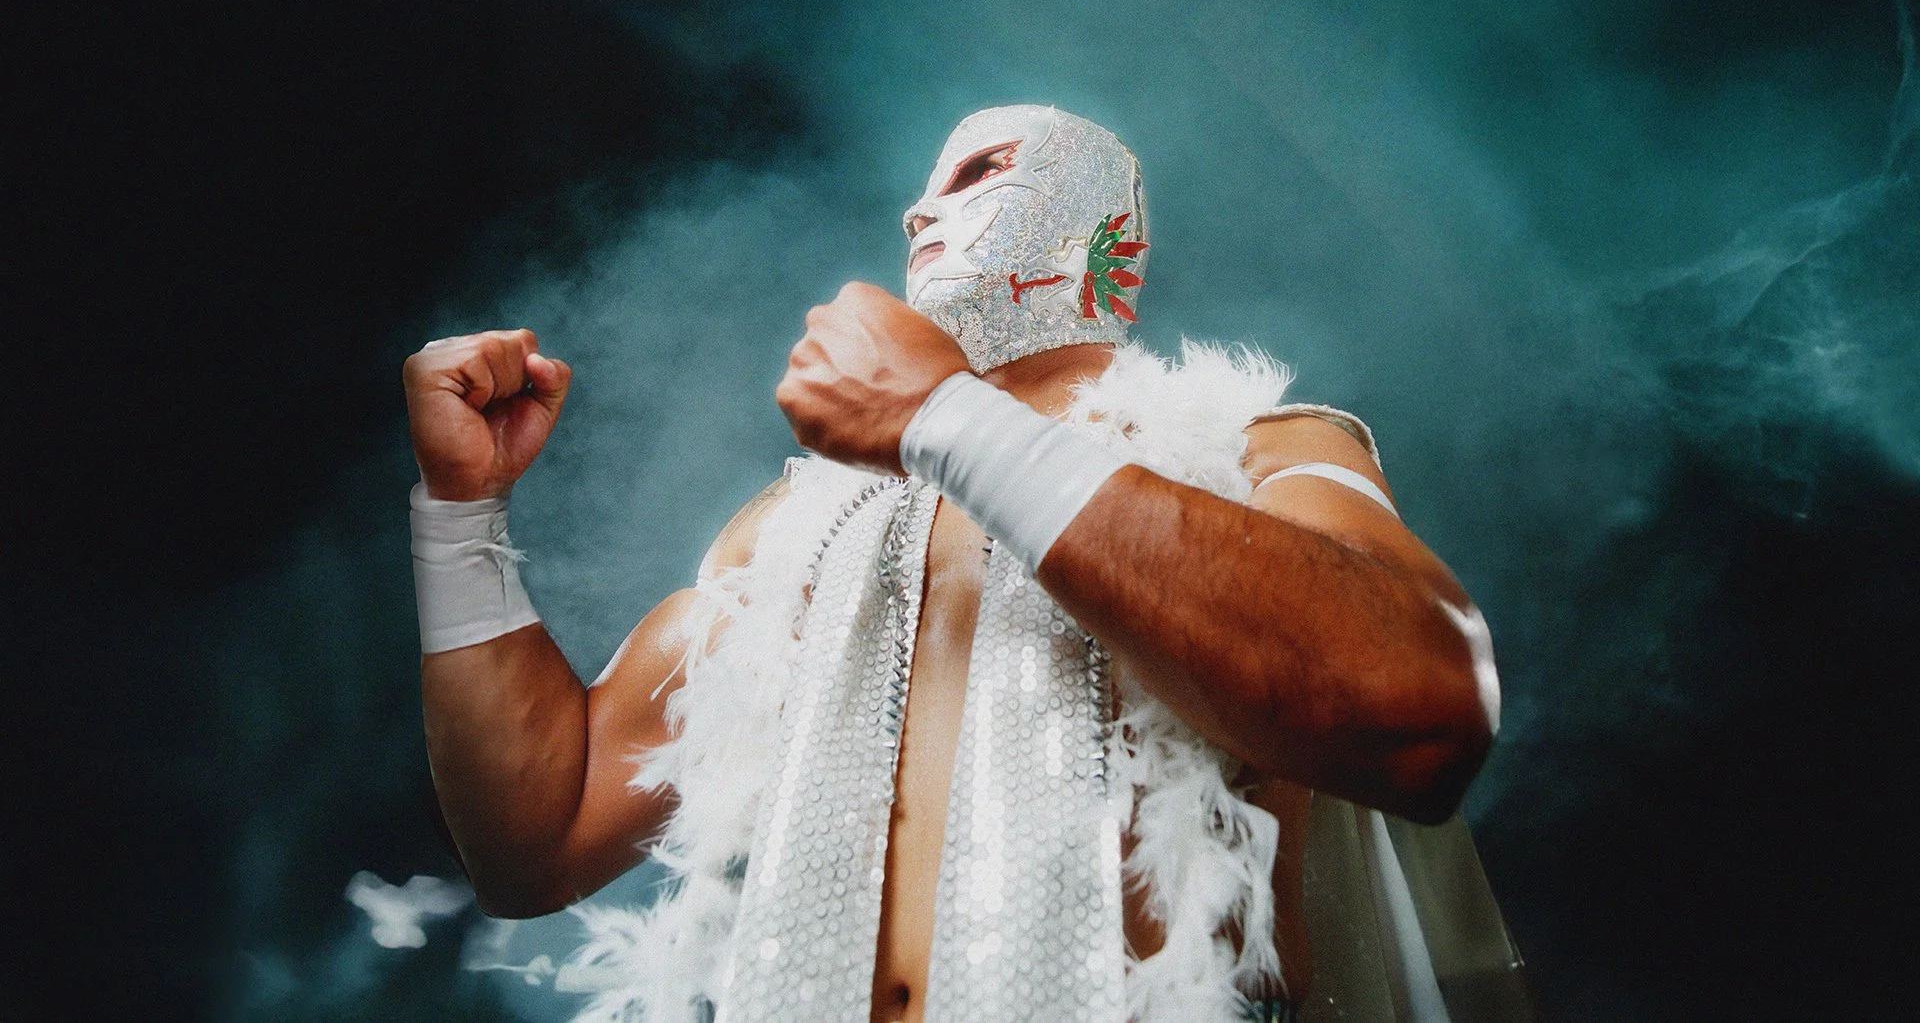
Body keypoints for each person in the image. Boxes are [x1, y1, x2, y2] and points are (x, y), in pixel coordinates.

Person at [404, 106, 1529, 1022]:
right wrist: (461, 516)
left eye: (982, 169)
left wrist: (948, 417)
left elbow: (1423, 713)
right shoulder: (789, 533)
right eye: (921, 192)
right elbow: (535, 842)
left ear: (1108, 233)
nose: (922, 210)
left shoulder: (1255, 448)